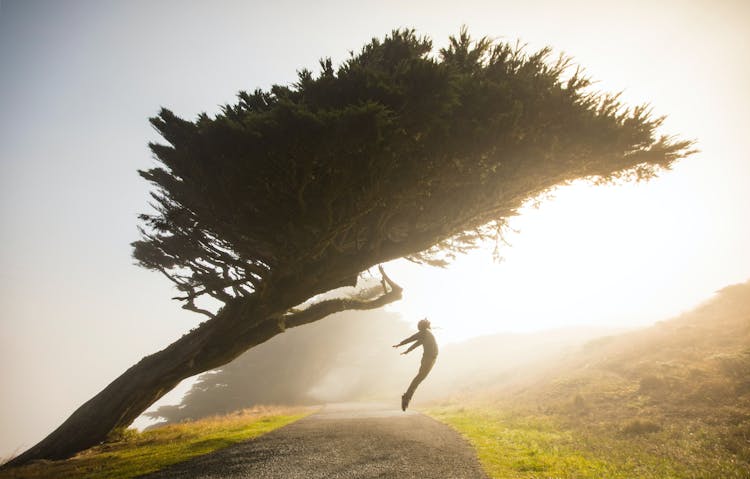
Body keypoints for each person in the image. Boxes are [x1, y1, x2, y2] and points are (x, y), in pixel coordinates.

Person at [393, 318, 438, 411]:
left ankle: (407, 397)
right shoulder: (425, 333)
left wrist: (406, 350)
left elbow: (415, 342)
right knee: (419, 378)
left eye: (418, 325)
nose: (417, 327)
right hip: (429, 359)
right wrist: (401, 345)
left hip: (431, 359)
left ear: (422, 326)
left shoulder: (424, 332)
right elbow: (412, 339)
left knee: (419, 378)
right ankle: (406, 397)